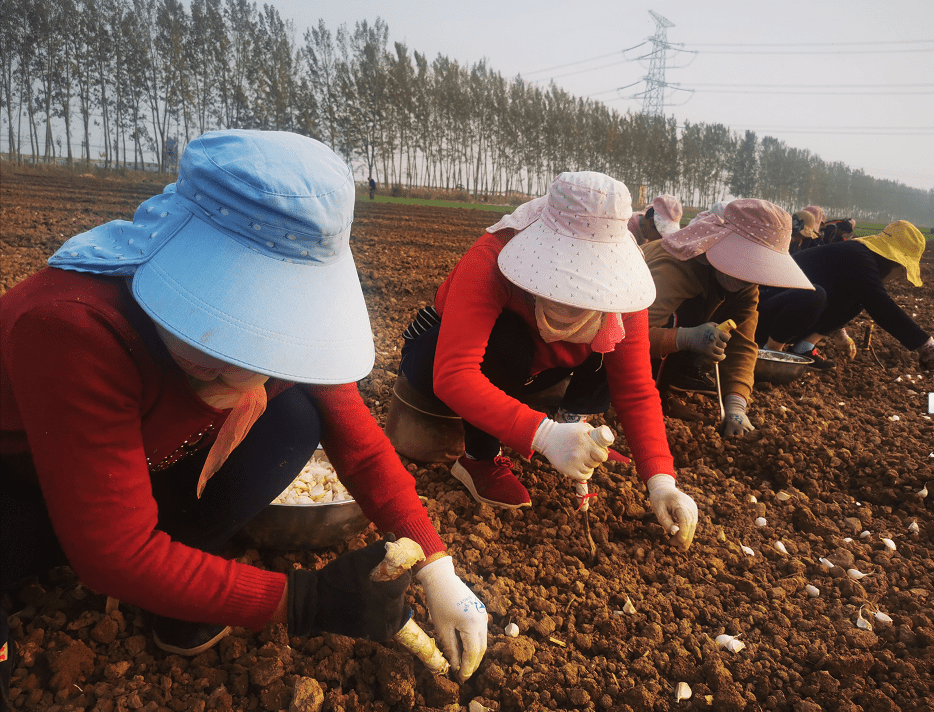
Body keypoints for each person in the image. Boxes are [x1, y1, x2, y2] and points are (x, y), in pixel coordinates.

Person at [0, 130, 487, 682]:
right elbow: (115, 551)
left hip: (127, 468)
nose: (239, 372)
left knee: (292, 417)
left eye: (261, 337)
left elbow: (363, 450)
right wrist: (306, 601)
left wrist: (435, 563)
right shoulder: (73, 325)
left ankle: (177, 586)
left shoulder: (285, 345)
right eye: (216, 331)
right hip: (22, 484)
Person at [398, 171, 698, 550]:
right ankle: (479, 456)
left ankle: (571, 424)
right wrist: (543, 435)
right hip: (438, 357)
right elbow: (454, 374)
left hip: (531, 374)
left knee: (611, 348)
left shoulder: (624, 291)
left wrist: (661, 482)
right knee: (509, 340)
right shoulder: (491, 257)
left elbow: (636, 389)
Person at [641, 198, 814, 436]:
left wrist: (735, 406)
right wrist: (684, 338)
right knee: (684, 317)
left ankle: (663, 389)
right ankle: (645, 396)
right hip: (604, 350)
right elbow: (628, 335)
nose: (751, 278)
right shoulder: (678, 264)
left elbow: (742, 343)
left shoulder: (745, 286)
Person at [755, 220, 933, 370]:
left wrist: (840, 332)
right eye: (903, 271)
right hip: (759, 313)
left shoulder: (860, 258)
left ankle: (803, 348)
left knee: (856, 299)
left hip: (780, 311)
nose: (900, 277)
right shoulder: (859, 258)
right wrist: (925, 344)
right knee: (814, 295)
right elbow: (881, 307)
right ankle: (770, 354)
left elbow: (840, 297)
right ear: (894, 261)